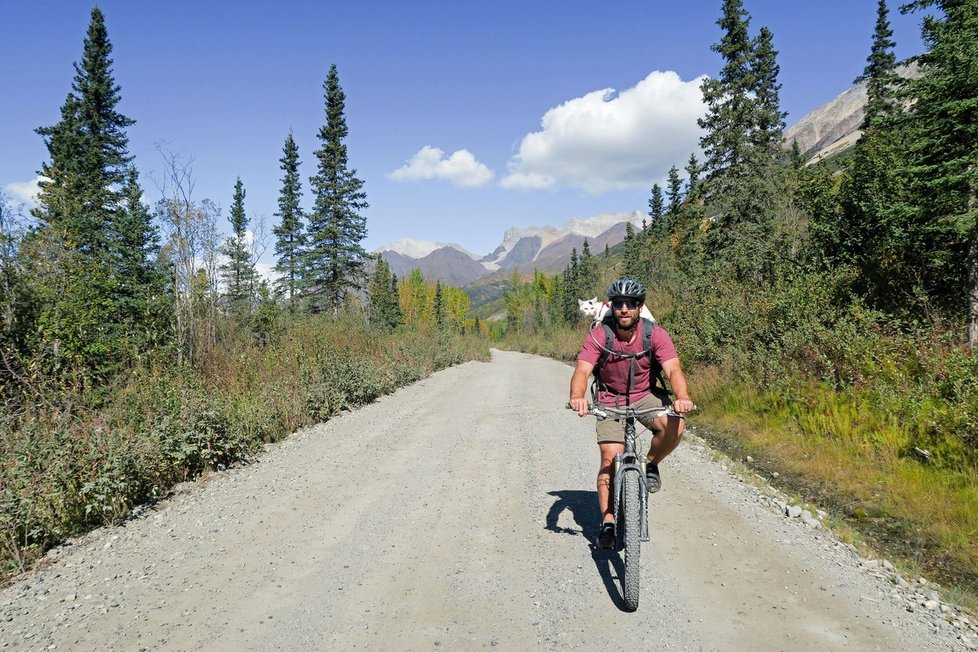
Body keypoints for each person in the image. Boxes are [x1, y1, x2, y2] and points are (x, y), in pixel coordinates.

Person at [568, 277, 694, 549]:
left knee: (675, 425)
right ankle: (609, 522)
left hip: (644, 396)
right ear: (611, 306)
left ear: (640, 307)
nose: (624, 309)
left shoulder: (655, 334)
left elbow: (672, 369)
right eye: (618, 304)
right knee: (608, 459)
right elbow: (582, 369)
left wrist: (682, 397)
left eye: (630, 304)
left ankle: (649, 464)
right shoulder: (599, 334)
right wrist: (577, 397)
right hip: (609, 398)